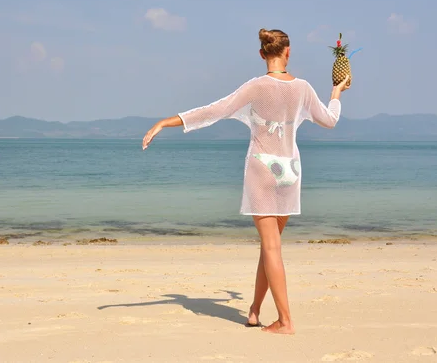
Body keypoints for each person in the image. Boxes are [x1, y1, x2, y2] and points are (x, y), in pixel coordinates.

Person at [142, 28, 351, 334]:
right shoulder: (304, 88)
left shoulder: (255, 87)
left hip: (263, 171)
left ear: (262, 54)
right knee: (271, 246)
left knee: (270, 247)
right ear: (288, 52)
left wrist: (166, 121)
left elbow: (214, 110)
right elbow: (330, 120)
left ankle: (285, 321)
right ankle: (254, 310)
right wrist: (335, 93)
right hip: (290, 172)